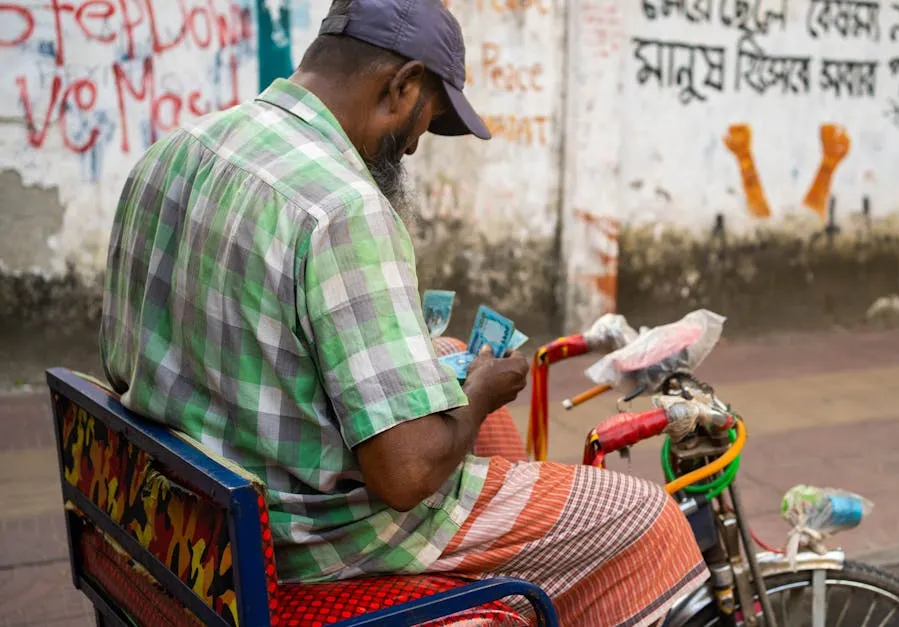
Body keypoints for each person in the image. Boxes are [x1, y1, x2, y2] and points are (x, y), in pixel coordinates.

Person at [99, 0, 708, 624]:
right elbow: (406, 473)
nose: (414, 146)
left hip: (186, 504)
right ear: (403, 84)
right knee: (648, 517)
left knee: (445, 362)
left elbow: (126, 358)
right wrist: (479, 394)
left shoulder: (176, 149)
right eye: (428, 118)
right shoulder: (342, 207)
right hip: (309, 541)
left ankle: (511, 557)